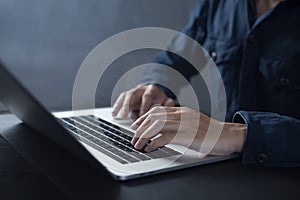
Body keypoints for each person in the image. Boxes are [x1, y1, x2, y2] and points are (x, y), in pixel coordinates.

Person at [112, 0, 300, 167]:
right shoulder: (217, 4)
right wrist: (156, 85)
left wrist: (239, 134)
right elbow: (177, 57)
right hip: (218, 163)